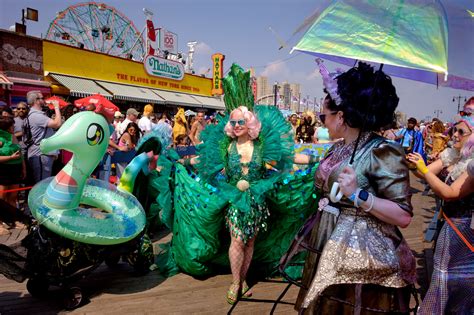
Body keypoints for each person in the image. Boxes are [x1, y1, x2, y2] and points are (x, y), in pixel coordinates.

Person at [297, 61, 415, 313]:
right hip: (327, 237)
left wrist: (358, 195)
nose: (322, 123)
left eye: (323, 117)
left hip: (363, 254)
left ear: (341, 117)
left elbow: (403, 215)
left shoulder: (383, 150)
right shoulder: (338, 148)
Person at [407, 115, 474, 314]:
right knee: (445, 272)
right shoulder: (453, 154)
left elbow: (450, 193)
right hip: (449, 221)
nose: (454, 134)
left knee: (451, 273)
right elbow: (426, 172)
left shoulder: (472, 164)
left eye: (461, 131)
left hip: (462, 226)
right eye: (454, 129)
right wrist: (415, 163)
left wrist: (423, 171)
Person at [22, 91, 62, 184]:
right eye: (42, 98)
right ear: (36, 101)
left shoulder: (31, 115)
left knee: (41, 182)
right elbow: (57, 124)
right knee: (41, 184)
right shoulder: (36, 116)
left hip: (38, 153)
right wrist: (56, 106)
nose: (44, 100)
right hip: (41, 155)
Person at [0, 117, 26, 234]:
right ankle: (0, 223)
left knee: (13, 197)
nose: (14, 127)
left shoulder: (13, 136)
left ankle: (14, 220)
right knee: (2, 198)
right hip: (3, 170)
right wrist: (11, 158)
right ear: (6, 127)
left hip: (15, 169)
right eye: (12, 126)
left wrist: (23, 168)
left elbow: (20, 153)